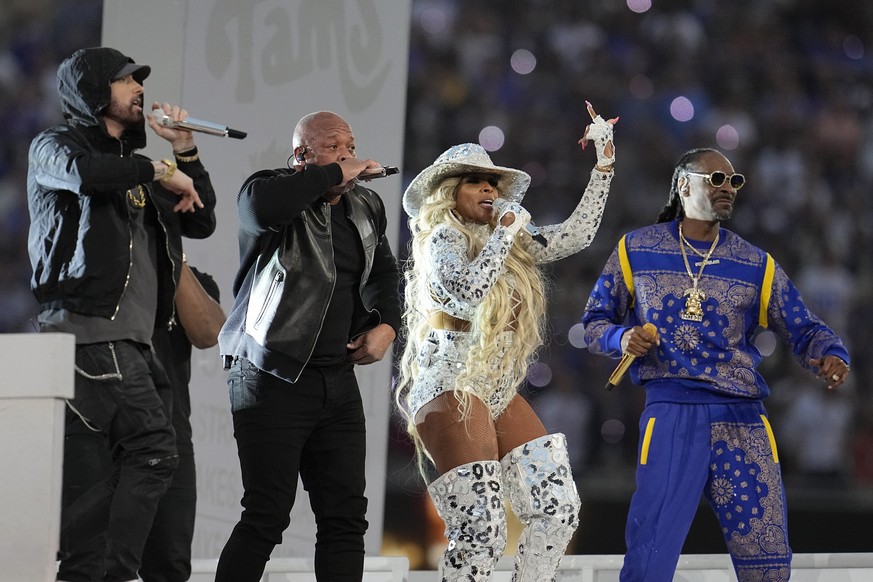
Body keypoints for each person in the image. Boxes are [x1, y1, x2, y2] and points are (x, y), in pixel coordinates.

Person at [580, 147, 851, 582]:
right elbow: (594, 324)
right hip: (671, 414)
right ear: (684, 184)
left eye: (735, 181)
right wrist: (621, 337)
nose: (728, 188)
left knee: (769, 559)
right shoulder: (636, 249)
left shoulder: (755, 263)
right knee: (650, 551)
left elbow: (805, 327)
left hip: (742, 418)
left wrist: (831, 354)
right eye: (717, 179)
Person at [395, 101, 617, 581]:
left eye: (493, 183)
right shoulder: (441, 239)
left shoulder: (508, 239)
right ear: (451, 193)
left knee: (558, 507)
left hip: (492, 387)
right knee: (482, 530)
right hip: (449, 383)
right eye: (478, 182)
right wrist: (504, 234)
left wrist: (603, 167)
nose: (490, 191)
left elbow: (574, 236)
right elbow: (469, 292)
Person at [26, 46, 217, 582]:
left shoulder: (137, 169)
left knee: (156, 456)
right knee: (155, 450)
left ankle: (54, 545)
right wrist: (160, 169)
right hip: (89, 328)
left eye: (138, 79)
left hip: (136, 341)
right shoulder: (55, 146)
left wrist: (185, 152)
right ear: (93, 93)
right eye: (125, 80)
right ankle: (97, 565)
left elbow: (199, 221)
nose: (138, 88)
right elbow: (85, 174)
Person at [216, 111, 402, 581]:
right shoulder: (269, 190)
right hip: (270, 372)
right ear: (302, 155)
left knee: (344, 520)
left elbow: (383, 274)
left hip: (335, 380)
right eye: (334, 146)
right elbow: (262, 209)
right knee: (267, 515)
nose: (348, 155)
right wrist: (336, 174)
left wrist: (386, 327)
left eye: (351, 146)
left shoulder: (365, 207)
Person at [58, 260, 226, 582]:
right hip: (93, 433)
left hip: (167, 437)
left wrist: (171, 252)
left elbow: (209, 332)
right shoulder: (98, 263)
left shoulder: (189, 277)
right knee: (88, 566)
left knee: (170, 567)